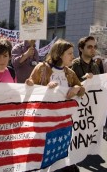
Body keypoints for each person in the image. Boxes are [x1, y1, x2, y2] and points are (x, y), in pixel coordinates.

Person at [26, 39, 84, 172]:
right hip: (43, 123)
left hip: (62, 124)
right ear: (59, 54)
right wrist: (44, 88)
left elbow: (82, 90)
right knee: (40, 157)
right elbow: (30, 88)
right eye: (69, 53)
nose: (73, 56)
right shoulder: (41, 68)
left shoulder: (70, 73)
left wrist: (76, 87)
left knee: (57, 157)